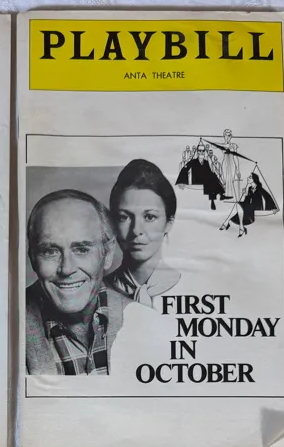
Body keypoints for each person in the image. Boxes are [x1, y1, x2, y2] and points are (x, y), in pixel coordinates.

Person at [25, 189, 131, 375]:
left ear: (107, 253)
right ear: (32, 258)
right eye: (50, 251)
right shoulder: (4, 330)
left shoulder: (141, 320)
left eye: (81, 249)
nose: (67, 269)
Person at [106, 159, 181, 306]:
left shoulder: (194, 288)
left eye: (149, 217)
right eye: (124, 217)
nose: (136, 230)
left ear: (168, 223)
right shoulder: (95, 294)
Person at [220, 171, 279, 236]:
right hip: (249, 207)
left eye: (250, 177)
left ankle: (227, 223)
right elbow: (247, 201)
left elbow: (267, 197)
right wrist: (245, 194)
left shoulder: (259, 188)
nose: (248, 178)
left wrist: (273, 208)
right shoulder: (250, 188)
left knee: (238, 204)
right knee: (238, 204)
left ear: (254, 179)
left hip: (255, 208)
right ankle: (241, 228)